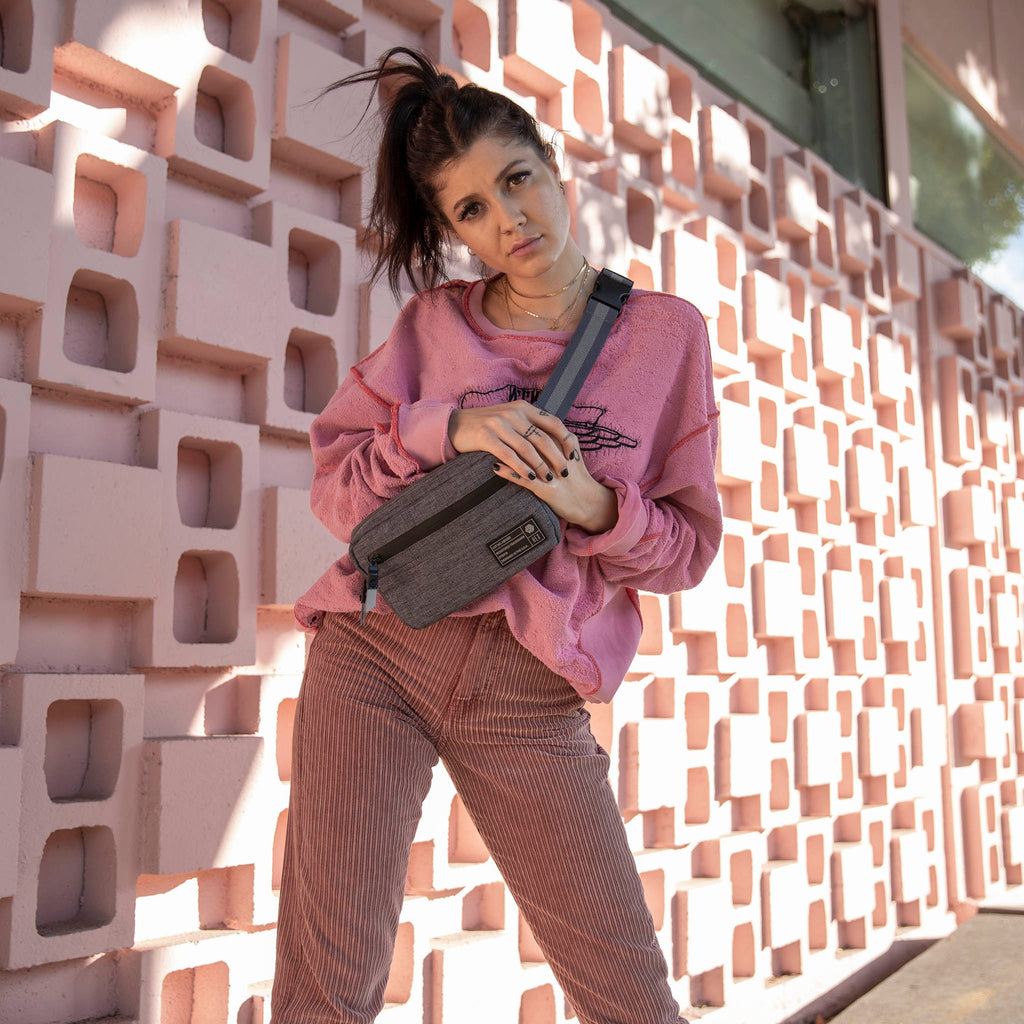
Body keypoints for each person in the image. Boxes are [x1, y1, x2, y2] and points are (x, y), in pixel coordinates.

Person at [271, 46, 722, 1024]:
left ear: (553, 166)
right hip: (377, 653)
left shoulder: (664, 335)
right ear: (450, 227)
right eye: (471, 208)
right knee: (326, 989)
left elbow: (685, 549)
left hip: (527, 692)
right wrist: (448, 426)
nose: (508, 219)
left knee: (629, 996)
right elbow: (338, 490)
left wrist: (593, 506)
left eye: (517, 181)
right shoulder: (432, 327)